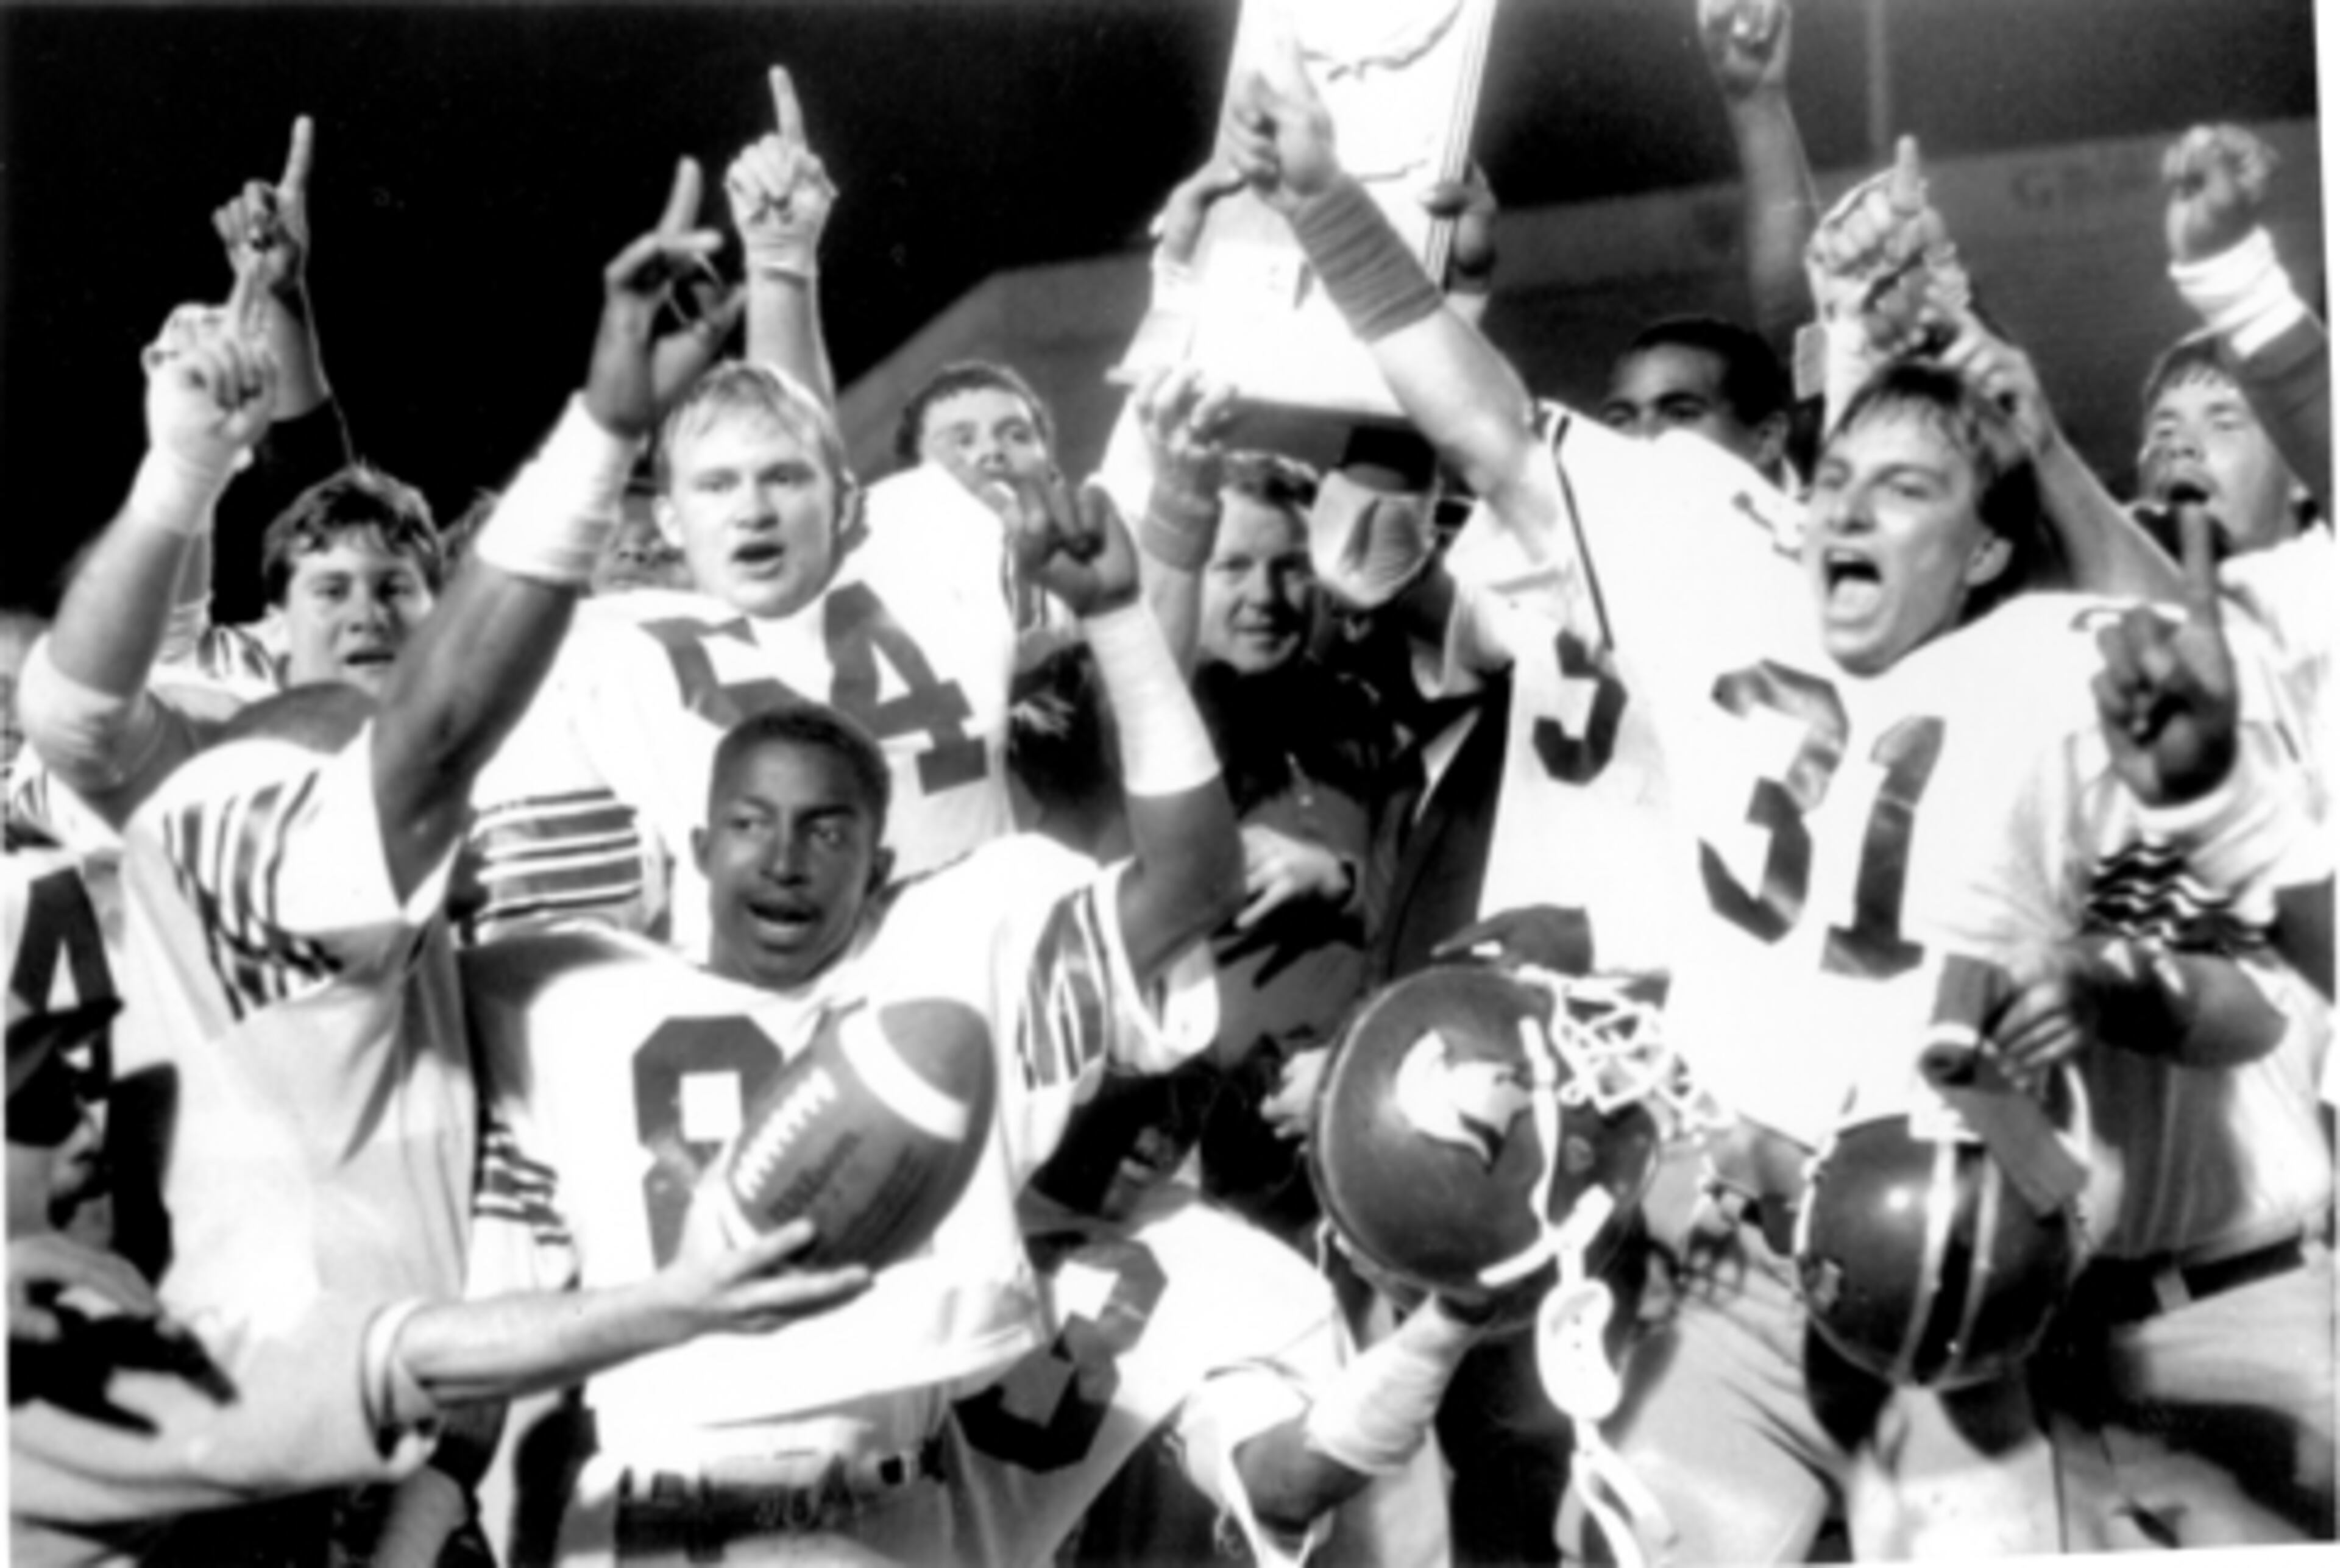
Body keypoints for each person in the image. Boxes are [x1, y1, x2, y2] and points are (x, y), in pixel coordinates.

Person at [1221, 47, 2320, 1562]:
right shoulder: (1720, 547)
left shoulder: (2054, 667)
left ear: (1992, 550)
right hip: (1738, 1268)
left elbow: (2233, 856)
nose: (1844, 512)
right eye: (1835, 477)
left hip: (1969, 1281)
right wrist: (1335, 204)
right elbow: (1479, 425)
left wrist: (2095, 994)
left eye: (1906, 490)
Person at [461, 439, 1249, 1557]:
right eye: (749, 825)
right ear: (695, 846)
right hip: (645, 1517)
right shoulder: (565, 991)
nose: (783, 859)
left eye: (827, 830)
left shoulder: (960, 944)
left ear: (881, 865)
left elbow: (1196, 880)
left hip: (887, 1516)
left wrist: (1119, 617)